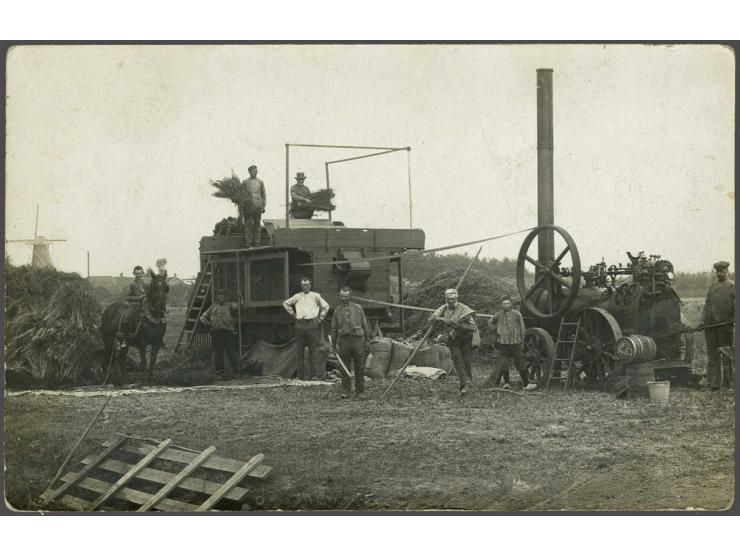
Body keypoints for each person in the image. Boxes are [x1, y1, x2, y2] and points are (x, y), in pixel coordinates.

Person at [428, 288, 478, 395]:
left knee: (466, 362)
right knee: (457, 360)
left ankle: (467, 385)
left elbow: (472, 327)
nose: (450, 301)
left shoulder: (465, 309)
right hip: (453, 338)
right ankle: (465, 384)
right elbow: (431, 319)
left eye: (452, 299)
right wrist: (442, 319)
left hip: (465, 338)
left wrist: (457, 325)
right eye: (448, 299)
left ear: (456, 298)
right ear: (445, 299)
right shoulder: (443, 308)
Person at [487, 295, 538, 391]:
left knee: (521, 363)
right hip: (502, 343)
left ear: (511, 304)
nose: (506, 305)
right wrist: (497, 329)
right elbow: (490, 323)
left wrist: (522, 341)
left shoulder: (517, 314)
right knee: (504, 364)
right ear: (501, 305)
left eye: (507, 303)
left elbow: (522, 328)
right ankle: (507, 383)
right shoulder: (498, 315)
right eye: (504, 304)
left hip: (516, 343)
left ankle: (526, 384)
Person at [283, 278, 330, 380]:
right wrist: (293, 314)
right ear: (301, 286)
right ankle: (300, 376)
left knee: (313, 351)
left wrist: (320, 319)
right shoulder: (297, 296)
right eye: (303, 285)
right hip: (300, 325)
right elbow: (285, 303)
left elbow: (326, 306)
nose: (305, 287)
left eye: (307, 285)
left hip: (312, 325)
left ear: (310, 285)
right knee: (299, 352)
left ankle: (314, 375)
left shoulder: (316, 296)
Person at [331, 286, 372, 398]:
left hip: (357, 340)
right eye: (342, 296)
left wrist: (368, 340)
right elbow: (334, 328)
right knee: (344, 367)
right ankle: (346, 391)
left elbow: (365, 325)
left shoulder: (358, 308)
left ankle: (360, 392)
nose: (344, 298)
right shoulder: (337, 311)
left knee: (359, 367)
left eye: (346, 296)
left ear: (350, 296)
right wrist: (333, 345)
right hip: (344, 341)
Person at [702, 261, 735, 390]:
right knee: (712, 355)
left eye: (722, 271)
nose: (719, 273)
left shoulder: (732, 286)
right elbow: (706, 305)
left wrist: (732, 320)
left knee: (726, 355)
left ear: (727, 271)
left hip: (725, 326)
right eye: (717, 271)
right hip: (710, 327)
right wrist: (703, 321)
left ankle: (727, 384)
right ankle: (713, 384)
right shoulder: (712, 287)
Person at [199, 289, 240, 379]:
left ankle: (236, 370)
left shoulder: (230, 305)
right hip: (216, 332)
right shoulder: (213, 307)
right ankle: (220, 371)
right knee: (218, 353)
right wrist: (209, 324)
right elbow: (202, 317)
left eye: (223, 296)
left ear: (226, 297)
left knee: (231, 352)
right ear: (217, 297)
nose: (221, 297)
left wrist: (238, 297)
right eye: (220, 296)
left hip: (227, 332)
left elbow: (238, 306)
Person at [241, 164, 266, 247]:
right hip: (248, 207)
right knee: (248, 224)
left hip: (258, 206)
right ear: (249, 172)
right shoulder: (245, 182)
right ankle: (248, 242)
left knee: (257, 224)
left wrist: (263, 206)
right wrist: (243, 206)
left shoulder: (260, 182)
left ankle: (257, 242)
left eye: (255, 171)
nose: (254, 173)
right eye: (252, 171)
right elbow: (242, 195)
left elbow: (263, 194)